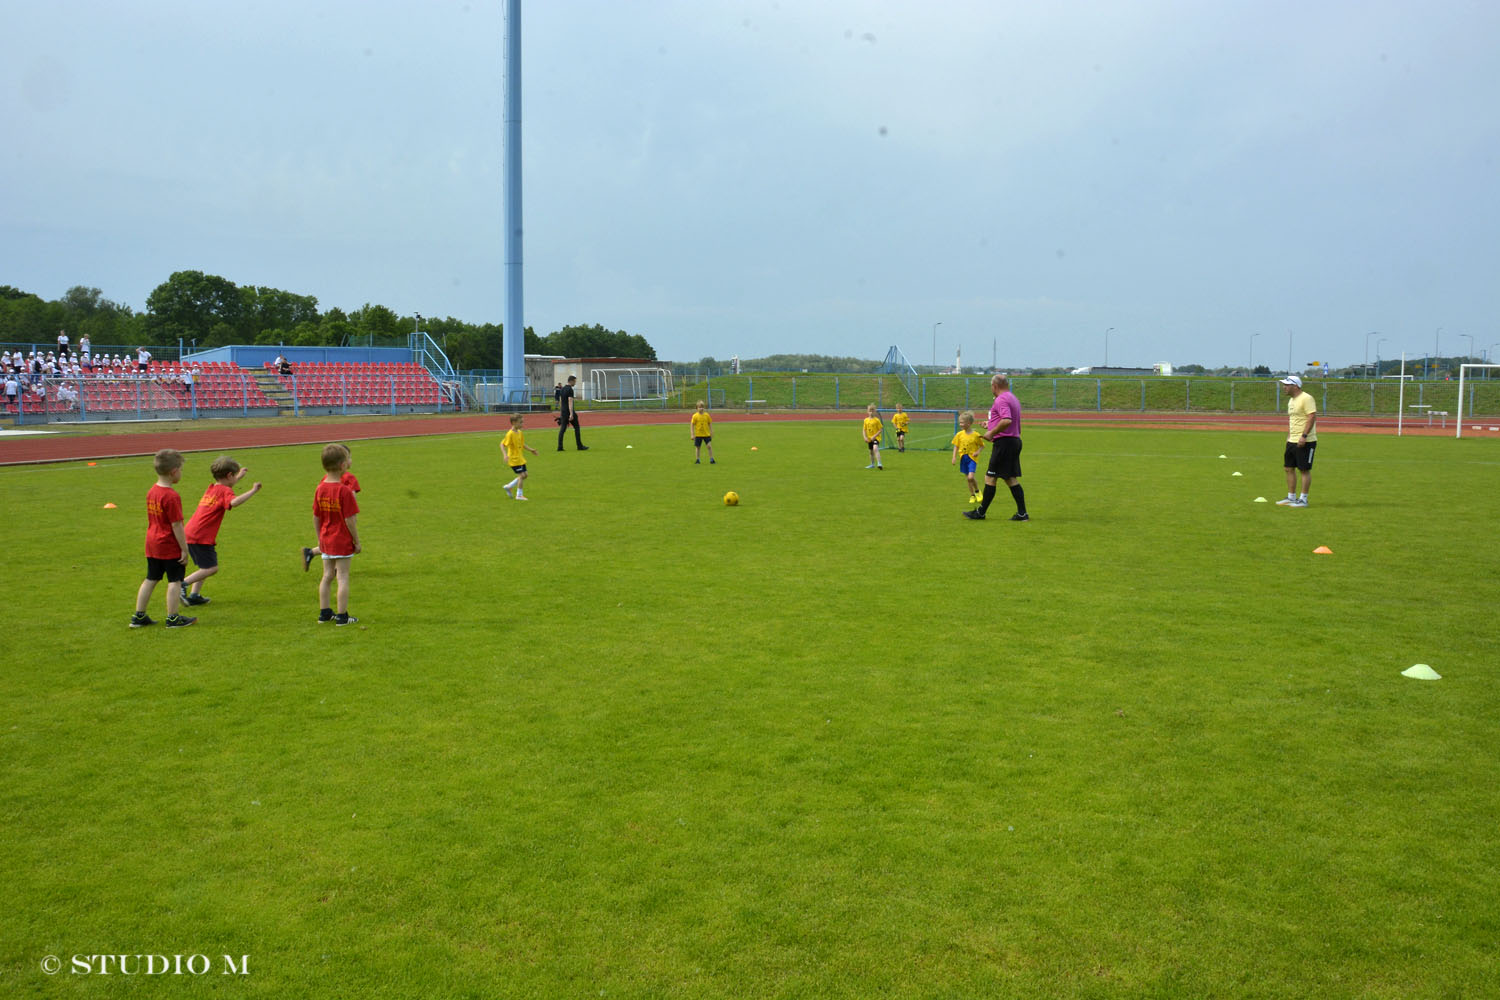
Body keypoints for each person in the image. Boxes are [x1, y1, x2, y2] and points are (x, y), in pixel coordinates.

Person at [181, 456, 263, 606]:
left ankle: (194, 595)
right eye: (234, 475)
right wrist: (253, 491)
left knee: (204, 566)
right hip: (201, 535)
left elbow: (226, 486)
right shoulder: (225, 491)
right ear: (229, 475)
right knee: (211, 568)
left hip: (192, 532)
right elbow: (233, 501)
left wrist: (239, 476)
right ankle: (182, 584)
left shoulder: (213, 488)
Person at [129, 449, 197, 628]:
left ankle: (139, 616)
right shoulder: (171, 496)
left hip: (152, 543)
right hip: (168, 545)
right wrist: (184, 548)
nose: (181, 473)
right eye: (181, 469)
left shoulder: (152, 491)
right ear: (173, 471)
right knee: (174, 581)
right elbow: (177, 525)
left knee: (151, 578)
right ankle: (173, 618)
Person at [304, 443, 361, 625]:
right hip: (341, 539)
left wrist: (320, 538)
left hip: (326, 538)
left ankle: (324, 613)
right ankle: (342, 616)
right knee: (342, 576)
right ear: (343, 465)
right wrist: (356, 541)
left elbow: (316, 516)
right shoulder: (344, 491)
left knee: (327, 575)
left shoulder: (319, 488)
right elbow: (349, 520)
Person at [965, 373, 1028, 521]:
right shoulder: (1012, 397)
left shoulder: (1001, 399)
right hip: (1013, 441)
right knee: (1010, 478)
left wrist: (991, 432)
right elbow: (1006, 421)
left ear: (995, 386)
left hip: (1004, 443)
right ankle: (1022, 513)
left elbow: (1006, 420)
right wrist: (990, 424)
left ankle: (980, 513)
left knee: (990, 477)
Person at [1277, 374, 1317, 507]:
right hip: (1292, 440)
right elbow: (1293, 420)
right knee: (1288, 468)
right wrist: (1289, 436)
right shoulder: (1291, 401)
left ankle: (1303, 499)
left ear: (1295, 386)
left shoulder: (1306, 398)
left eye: (1286, 385)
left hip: (1306, 440)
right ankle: (1291, 497)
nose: (1284, 387)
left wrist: (1304, 436)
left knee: (1304, 470)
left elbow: (1311, 417)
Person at [500, 413, 540, 499]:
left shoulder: (519, 433)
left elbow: (522, 444)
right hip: (514, 459)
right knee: (522, 476)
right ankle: (519, 495)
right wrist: (505, 455)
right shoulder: (510, 434)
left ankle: (509, 486)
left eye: (522, 422)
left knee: (525, 475)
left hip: (520, 458)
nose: (522, 424)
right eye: (520, 422)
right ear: (514, 422)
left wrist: (531, 450)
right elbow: (502, 444)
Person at [950, 410, 986, 503]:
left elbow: (982, 446)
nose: (960, 424)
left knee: (970, 477)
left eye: (962, 422)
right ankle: (972, 495)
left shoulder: (976, 435)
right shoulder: (959, 434)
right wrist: (954, 457)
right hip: (963, 458)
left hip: (972, 459)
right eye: (960, 422)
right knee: (968, 479)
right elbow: (956, 446)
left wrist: (978, 452)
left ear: (969, 423)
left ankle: (977, 491)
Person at [556, 374, 588, 451]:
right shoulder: (570, 389)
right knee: (577, 427)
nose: (575, 383)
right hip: (568, 412)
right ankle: (579, 446)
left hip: (563, 411)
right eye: (575, 381)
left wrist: (562, 412)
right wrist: (571, 414)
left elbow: (561, 401)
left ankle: (560, 447)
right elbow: (570, 402)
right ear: (571, 381)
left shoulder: (562, 389)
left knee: (562, 429)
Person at [862, 402, 884, 470]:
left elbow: (880, 430)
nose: (871, 412)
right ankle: (872, 464)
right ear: (867, 412)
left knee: (875, 448)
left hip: (876, 438)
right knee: (871, 452)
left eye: (872, 411)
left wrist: (874, 436)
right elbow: (864, 430)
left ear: (874, 412)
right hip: (869, 438)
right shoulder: (866, 420)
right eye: (869, 411)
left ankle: (879, 464)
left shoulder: (877, 420)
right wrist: (865, 437)